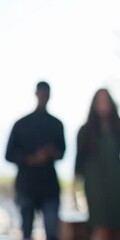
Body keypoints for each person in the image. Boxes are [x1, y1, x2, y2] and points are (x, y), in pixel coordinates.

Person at [5, 81, 66, 240]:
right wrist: (30, 159)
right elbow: (9, 154)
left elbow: (62, 152)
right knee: (26, 231)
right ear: (37, 94)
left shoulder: (56, 125)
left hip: (48, 186)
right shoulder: (21, 125)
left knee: (51, 232)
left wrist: (51, 153)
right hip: (27, 186)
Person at [74, 88, 120, 240]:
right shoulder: (85, 131)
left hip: (114, 180)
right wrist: (74, 191)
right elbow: (78, 162)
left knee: (113, 223)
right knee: (98, 223)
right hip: (94, 183)